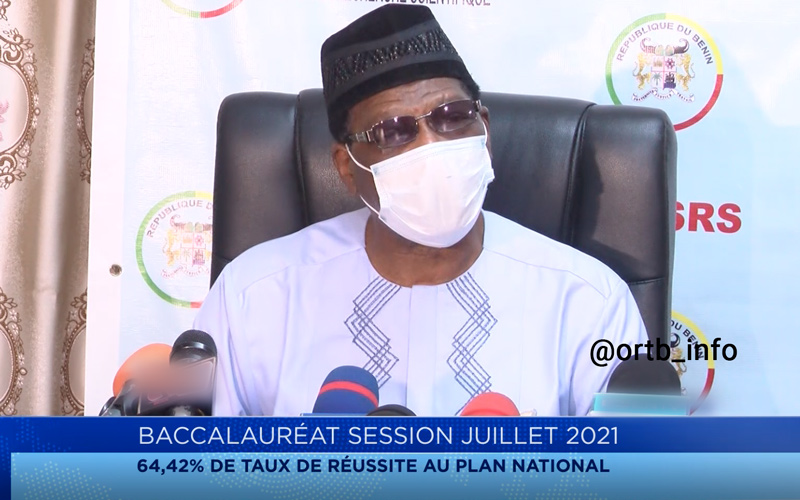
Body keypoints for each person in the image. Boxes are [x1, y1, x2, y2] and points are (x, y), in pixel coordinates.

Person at [193, 4, 648, 417]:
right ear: (347, 168)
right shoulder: (254, 296)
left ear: (485, 131)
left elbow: (639, 468)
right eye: (393, 132)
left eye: (453, 116)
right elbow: (194, 464)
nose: (432, 147)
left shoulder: (586, 300)